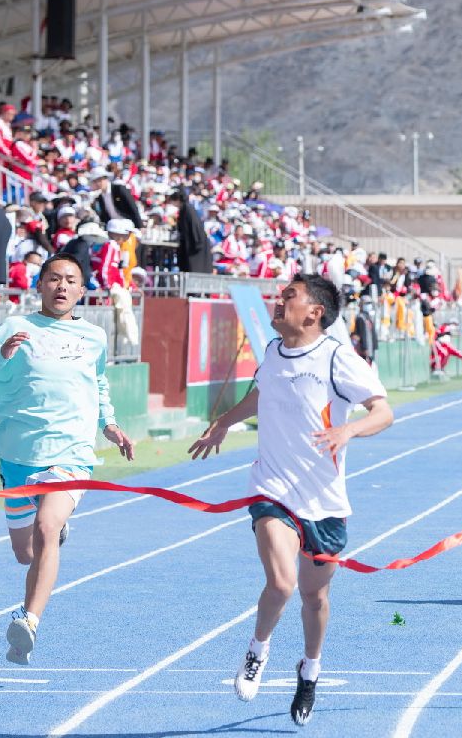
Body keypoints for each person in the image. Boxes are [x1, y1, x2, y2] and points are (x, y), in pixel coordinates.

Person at [188, 274, 392, 726]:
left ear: (314, 313)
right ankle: (257, 650)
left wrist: (348, 430)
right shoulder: (273, 352)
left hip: (324, 500)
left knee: (314, 597)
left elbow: (383, 411)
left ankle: (309, 670)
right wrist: (225, 420)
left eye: (289, 296)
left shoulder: (337, 357)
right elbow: (261, 392)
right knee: (281, 583)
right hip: (272, 489)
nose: (278, 302)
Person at [0, 254, 136, 664]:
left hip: (71, 452)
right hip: (18, 456)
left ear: (82, 290)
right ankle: (49, 538)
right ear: (40, 284)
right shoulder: (17, 327)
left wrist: (110, 424)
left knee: (46, 525)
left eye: (71, 280)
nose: (62, 286)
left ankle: (28, 620)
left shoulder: (93, 337)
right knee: (25, 552)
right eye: (54, 278)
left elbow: (99, 382)